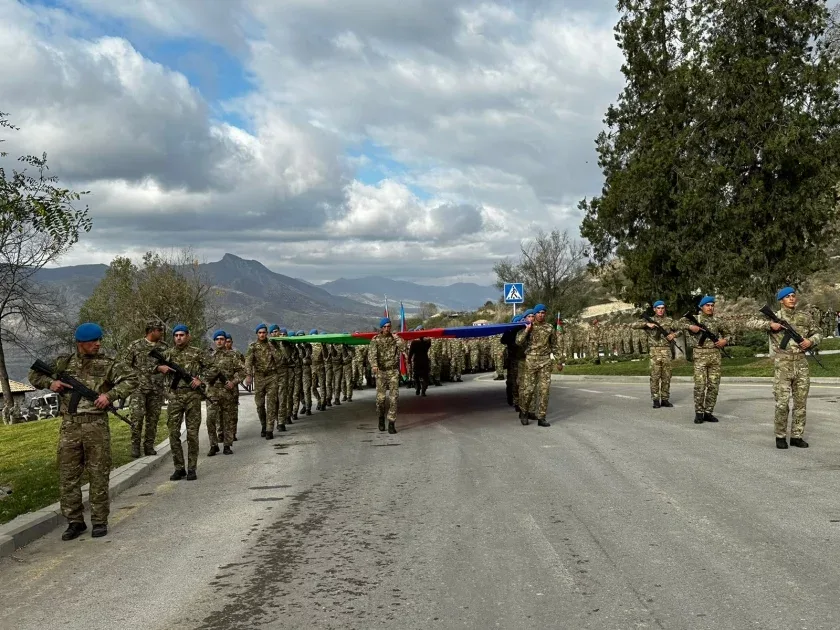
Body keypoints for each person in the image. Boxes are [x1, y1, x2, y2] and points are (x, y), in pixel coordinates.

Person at [28, 323, 138, 540]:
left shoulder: (108, 364)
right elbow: (34, 374)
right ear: (80, 343)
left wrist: (110, 395)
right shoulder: (64, 362)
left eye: (99, 340)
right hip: (69, 426)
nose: (98, 344)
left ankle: (99, 520)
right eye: (93, 341)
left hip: (96, 425)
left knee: (98, 474)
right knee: (68, 476)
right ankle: (75, 521)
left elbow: (132, 379)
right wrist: (51, 383)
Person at [747, 287, 820, 449]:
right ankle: (780, 436)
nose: (792, 299)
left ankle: (796, 436)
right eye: (788, 297)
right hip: (783, 363)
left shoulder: (805, 316)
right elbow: (750, 323)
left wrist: (811, 341)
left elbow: (818, 333)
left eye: (793, 296)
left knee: (801, 403)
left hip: (801, 363)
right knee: (782, 403)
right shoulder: (776, 317)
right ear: (781, 300)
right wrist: (769, 325)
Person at [161, 324, 211, 480]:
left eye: (182, 335)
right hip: (175, 397)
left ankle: (192, 468)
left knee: (192, 434)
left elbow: (213, 368)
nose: (178, 338)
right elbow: (149, 367)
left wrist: (200, 379)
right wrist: (159, 368)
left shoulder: (197, 353)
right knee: (173, 433)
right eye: (176, 335)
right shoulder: (167, 354)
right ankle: (179, 467)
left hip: (192, 396)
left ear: (188, 336)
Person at [121, 319, 167, 458]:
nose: (161, 333)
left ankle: (149, 446)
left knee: (153, 419)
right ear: (151, 331)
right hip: (139, 389)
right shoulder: (135, 346)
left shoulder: (164, 347)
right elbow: (124, 366)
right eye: (159, 330)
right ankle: (135, 446)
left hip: (156, 389)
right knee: (137, 418)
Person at [683, 296, 731, 424]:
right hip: (700, 356)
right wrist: (690, 327)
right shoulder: (695, 319)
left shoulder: (717, 321)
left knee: (714, 385)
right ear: (701, 307)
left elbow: (728, 333)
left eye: (712, 305)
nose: (710, 307)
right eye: (707, 305)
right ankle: (699, 412)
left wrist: (724, 341)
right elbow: (675, 324)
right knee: (700, 385)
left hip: (715, 356)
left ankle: (708, 412)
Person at [516, 305, 564, 427]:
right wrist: (527, 330)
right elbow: (518, 341)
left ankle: (541, 417)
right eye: (539, 313)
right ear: (535, 314)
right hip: (531, 361)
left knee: (544, 390)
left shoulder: (549, 328)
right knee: (529, 390)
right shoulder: (528, 326)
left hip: (545, 361)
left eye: (543, 313)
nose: (541, 315)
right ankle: (524, 412)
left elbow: (554, 345)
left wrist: (559, 361)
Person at [632, 301, 681, 408]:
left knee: (666, 376)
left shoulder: (669, 321)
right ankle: (655, 399)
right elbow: (634, 325)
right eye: (658, 308)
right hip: (654, 351)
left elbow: (680, 328)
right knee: (655, 376)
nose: (660, 310)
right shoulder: (649, 320)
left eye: (662, 308)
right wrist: (647, 324)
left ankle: (665, 399)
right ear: (654, 309)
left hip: (666, 350)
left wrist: (674, 335)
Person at [206, 330, 245, 455]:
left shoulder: (232, 356)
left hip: (227, 393)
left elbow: (243, 371)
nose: (219, 341)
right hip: (212, 393)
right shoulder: (208, 357)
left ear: (225, 340)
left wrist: (233, 382)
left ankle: (227, 445)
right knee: (210, 420)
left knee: (228, 420)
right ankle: (213, 445)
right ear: (214, 341)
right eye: (217, 339)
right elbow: (200, 372)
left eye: (222, 339)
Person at [368, 317, 407, 433]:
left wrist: (397, 339)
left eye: (389, 326)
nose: (387, 328)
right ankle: (381, 418)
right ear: (381, 327)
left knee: (394, 398)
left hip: (393, 371)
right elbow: (372, 354)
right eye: (385, 327)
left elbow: (404, 348)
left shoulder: (394, 338)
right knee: (381, 399)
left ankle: (391, 422)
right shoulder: (375, 339)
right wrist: (374, 365)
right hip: (381, 372)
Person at [244, 324, 279, 438]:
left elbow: (280, 359)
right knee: (259, 404)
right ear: (257, 334)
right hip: (259, 377)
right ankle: (264, 425)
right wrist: (248, 376)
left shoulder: (272, 344)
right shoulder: (253, 346)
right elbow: (248, 361)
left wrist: (272, 347)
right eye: (260, 332)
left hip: (272, 376)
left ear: (267, 333)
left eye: (264, 332)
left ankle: (269, 429)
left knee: (271, 404)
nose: (262, 334)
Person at [224, 333, 245, 441]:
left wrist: (234, 381)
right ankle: (221, 433)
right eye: (225, 341)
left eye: (229, 342)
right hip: (221, 387)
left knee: (233, 411)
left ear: (232, 342)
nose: (226, 344)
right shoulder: (216, 354)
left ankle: (233, 432)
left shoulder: (236, 353)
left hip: (233, 386)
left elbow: (242, 368)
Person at [408, 327, 431, 396]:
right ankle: (423, 391)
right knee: (425, 377)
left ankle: (418, 388)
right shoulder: (427, 342)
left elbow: (411, 352)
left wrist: (409, 360)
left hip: (417, 361)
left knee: (416, 377)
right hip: (424, 361)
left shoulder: (414, 342)